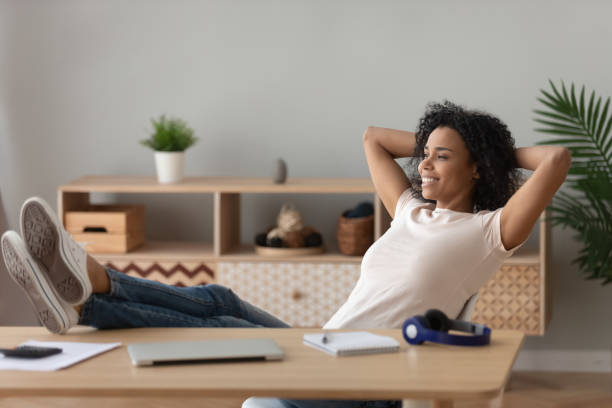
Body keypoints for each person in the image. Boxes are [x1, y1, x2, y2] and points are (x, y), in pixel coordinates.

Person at [1, 101, 571, 408]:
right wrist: (444, 145)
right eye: (423, 153)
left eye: (441, 157)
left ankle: (91, 293)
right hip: (328, 347)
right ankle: (90, 286)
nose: (423, 163)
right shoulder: (411, 212)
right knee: (219, 297)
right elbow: (373, 136)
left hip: (371, 386)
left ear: (478, 168)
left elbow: (556, 160)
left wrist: (489, 149)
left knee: (226, 326)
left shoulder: (490, 232)